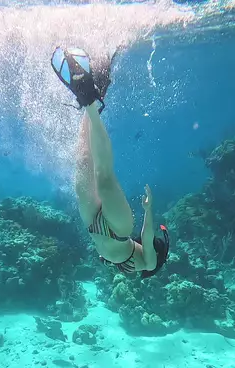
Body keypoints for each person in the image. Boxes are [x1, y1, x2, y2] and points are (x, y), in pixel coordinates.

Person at [50, 47, 170, 278]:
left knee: (83, 162)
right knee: (103, 176)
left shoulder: (136, 265)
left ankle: (91, 96)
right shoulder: (149, 263)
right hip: (119, 229)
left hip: (94, 227)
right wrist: (148, 210)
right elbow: (146, 236)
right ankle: (90, 100)